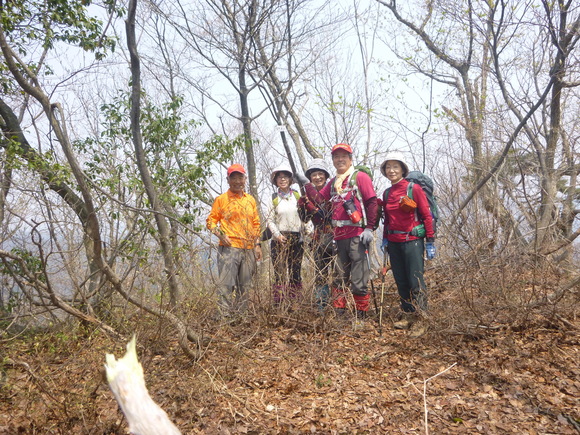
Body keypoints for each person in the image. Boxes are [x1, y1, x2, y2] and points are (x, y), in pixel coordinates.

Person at [297, 144, 378, 320]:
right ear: (333, 160)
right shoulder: (334, 181)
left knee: (358, 281)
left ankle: (360, 317)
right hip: (339, 237)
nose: (340, 159)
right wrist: (307, 186)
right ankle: (340, 316)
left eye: (343, 156)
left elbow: (372, 202)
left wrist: (370, 228)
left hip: (357, 236)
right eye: (336, 156)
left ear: (350, 158)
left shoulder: (360, 177)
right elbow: (319, 199)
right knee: (339, 279)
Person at [380, 152, 435, 337]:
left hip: (412, 241)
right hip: (394, 242)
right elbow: (387, 219)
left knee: (415, 280)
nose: (391, 170)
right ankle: (408, 315)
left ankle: (422, 319)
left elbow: (427, 215)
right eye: (388, 167)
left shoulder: (414, 188)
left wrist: (430, 240)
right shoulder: (387, 193)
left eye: (395, 166)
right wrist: (385, 238)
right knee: (401, 281)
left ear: (403, 169)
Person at [206, 164, 262, 319]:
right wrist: (221, 234)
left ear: (245, 179)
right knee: (226, 285)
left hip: (249, 248)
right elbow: (211, 221)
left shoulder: (250, 200)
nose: (237, 181)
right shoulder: (221, 200)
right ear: (228, 180)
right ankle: (223, 318)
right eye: (234, 178)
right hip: (229, 248)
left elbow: (256, 223)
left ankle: (240, 318)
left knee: (245, 286)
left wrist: (257, 245)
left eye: (240, 177)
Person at [266, 164, 310, 305]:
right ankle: (279, 304)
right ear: (275, 180)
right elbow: (269, 219)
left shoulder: (298, 196)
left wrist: (310, 233)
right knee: (279, 273)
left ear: (291, 179)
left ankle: (294, 303)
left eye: (285, 177)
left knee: (295, 272)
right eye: (279, 177)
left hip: (297, 238)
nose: (282, 179)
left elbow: (305, 217)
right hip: (279, 239)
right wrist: (277, 235)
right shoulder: (273, 198)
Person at [297, 159, 334, 310]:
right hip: (319, 239)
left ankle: (340, 306)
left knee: (339, 274)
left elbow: (325, 214)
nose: (317, 177)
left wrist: (311, 205)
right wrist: (301, 206)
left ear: (325, 176)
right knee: (320, 275)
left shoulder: (333, 191)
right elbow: (305, 219)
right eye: (314, 175)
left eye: (320, 174)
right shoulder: (308, 195)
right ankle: (322, 305)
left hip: (335, 237)